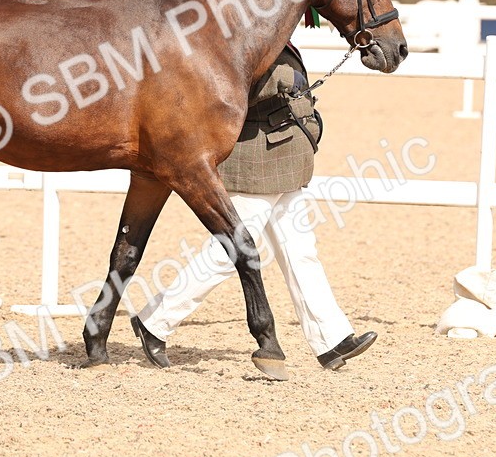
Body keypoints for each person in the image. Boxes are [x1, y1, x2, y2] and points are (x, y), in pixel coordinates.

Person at [130, 42, 376, 371]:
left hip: (284, 157)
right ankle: (154, 322)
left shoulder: (281, 37)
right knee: (226, 253)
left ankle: (331, 339)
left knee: (301, 251)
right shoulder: (248, 38)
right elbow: (234, 88)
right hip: (257, 160)